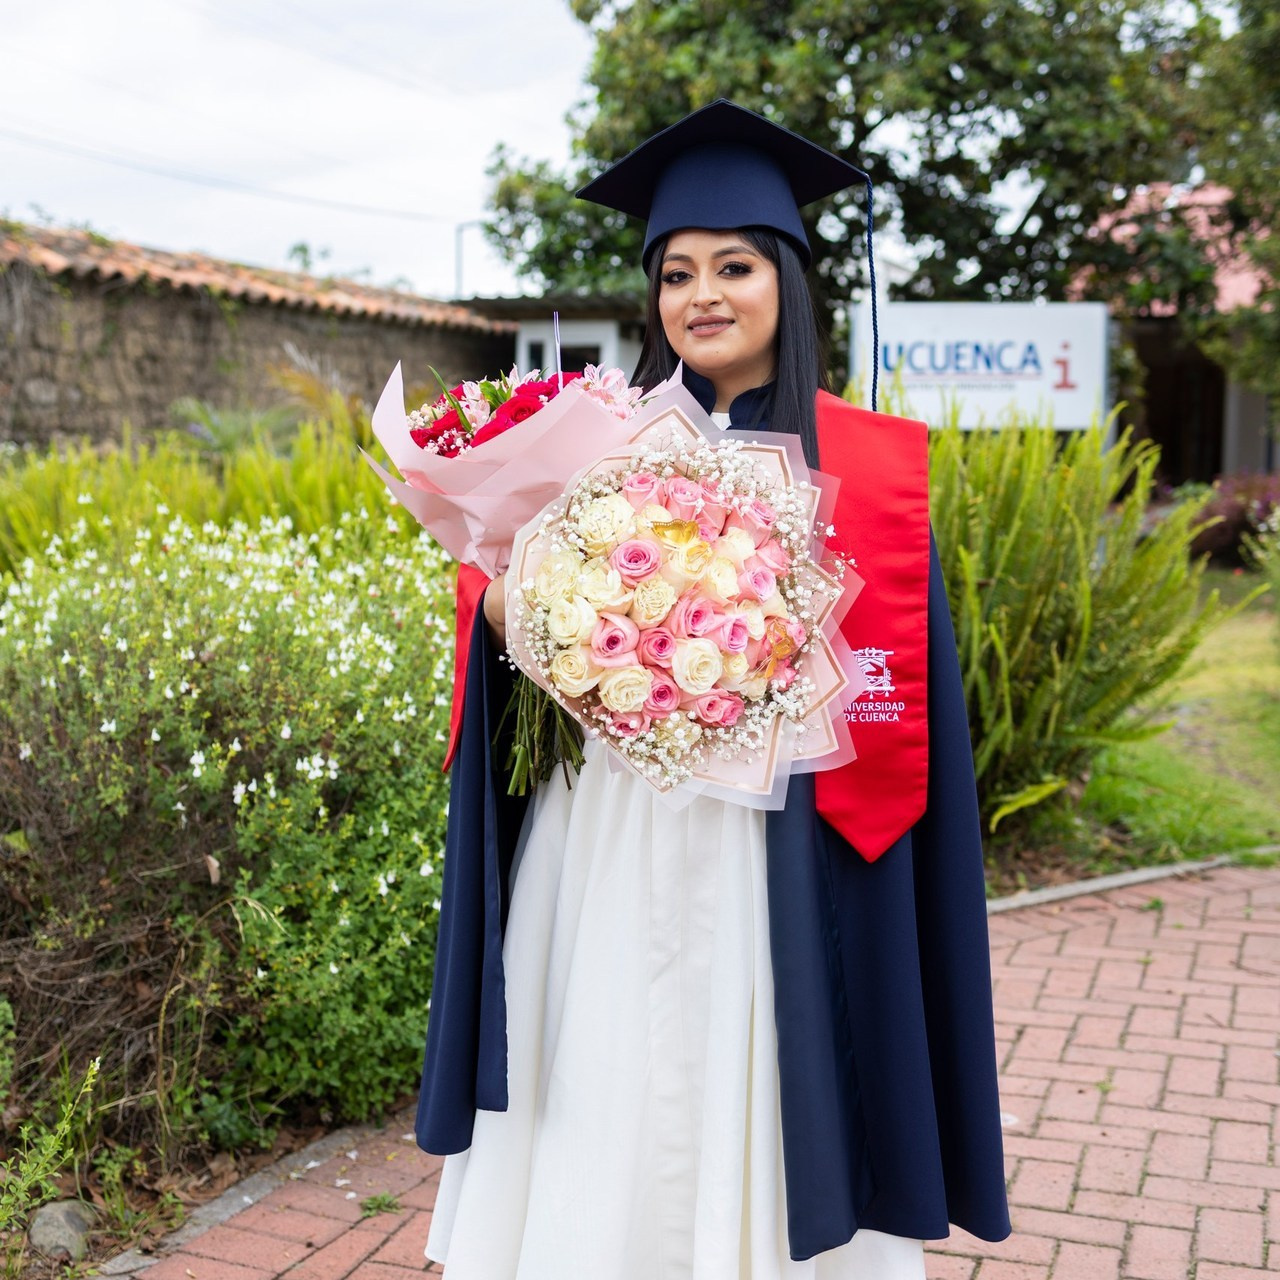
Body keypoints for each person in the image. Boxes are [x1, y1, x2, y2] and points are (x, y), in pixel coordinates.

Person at [415, 100, 1012, 1278]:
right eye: (676, 271)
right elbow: (510, 605)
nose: (703, 295)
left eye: (733, 265)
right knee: (608, 1052)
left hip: (778, 839)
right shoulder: (597, 442)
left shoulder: (868, 465)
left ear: (785, 278)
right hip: (615, 828)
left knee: (759, 1040)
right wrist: (501, 606)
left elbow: (902, 685)